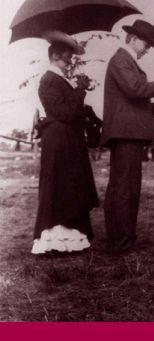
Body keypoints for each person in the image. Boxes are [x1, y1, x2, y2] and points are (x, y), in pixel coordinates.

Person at [102, 19, 154, 254]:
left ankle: (122, 238)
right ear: (134, 39)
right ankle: (121, 242)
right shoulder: (121, 60)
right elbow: (135, 89)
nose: (146, 50)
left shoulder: (124, 61)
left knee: (124, 186)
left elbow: (131, 101)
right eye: (146, 45)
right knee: (125, 187)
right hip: (127, 135)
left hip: (127, 133)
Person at [32, 32, 99, 255]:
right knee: (61, 186)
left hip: (67, 139)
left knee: (69, 186)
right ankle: (55, 241)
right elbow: (65, 113)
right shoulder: (49, 80)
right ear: (55, 56)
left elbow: (72, 111)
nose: (70, 62)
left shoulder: (59, 79)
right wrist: (80, 90)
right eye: (67, 57)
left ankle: (70, 239)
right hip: (59, 141)